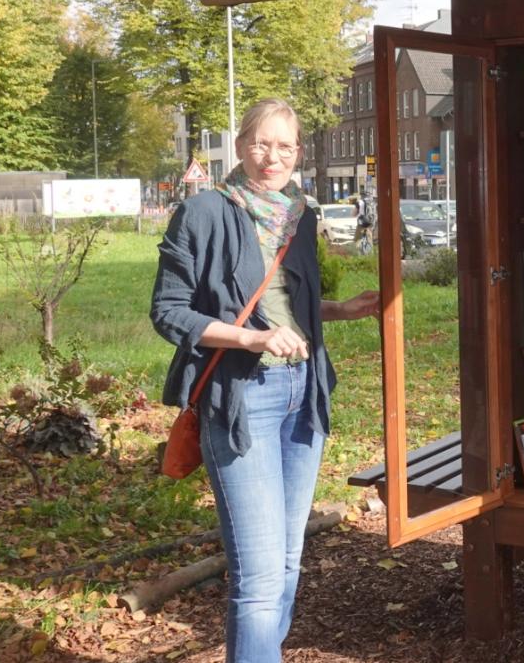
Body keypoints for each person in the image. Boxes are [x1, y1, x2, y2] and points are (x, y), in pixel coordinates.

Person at [150, 98, 380, 663]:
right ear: (240, 146)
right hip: (242, 401)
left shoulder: (299, 214)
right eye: (259, 143)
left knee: (286, 559)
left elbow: (283, 307)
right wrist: (251, 340)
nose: (270, 156)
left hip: (305, 394)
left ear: (298, 152)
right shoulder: (204, 212)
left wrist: (339, 311)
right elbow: (168, 311)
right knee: (256, 576)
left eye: (284, 146)